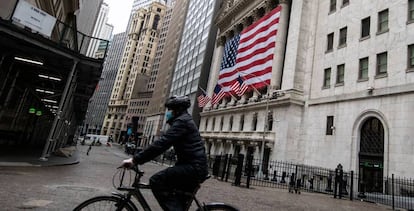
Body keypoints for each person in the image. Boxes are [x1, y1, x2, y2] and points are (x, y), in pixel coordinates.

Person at [121, 95, 209, 211]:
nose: (168, 113)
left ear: (177, 110)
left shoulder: (182, 122)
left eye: (170, 110)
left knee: (156, 180)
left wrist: (135, 160)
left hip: (193, 168)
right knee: (177, 198)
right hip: (192, 167)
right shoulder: (183, 120)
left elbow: (161, 144)